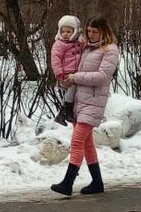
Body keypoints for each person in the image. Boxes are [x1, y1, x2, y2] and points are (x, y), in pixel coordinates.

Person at [50, 15, 120, 197]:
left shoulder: (110, 50)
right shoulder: (86, 48)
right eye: (88, 31)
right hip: (78, 101)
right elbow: (71, 67)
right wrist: (65, 80)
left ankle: (68, 182)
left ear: (104, 31)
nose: (91, 34)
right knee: (87, 143)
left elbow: (103, 76)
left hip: (94, 102)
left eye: (95, 31)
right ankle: (97, 182)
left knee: (77, 140)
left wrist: (76, 77)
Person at [50, 15, 82, 126]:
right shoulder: (59, 44)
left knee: (71, 91)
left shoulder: (78, 42)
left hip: (76, 73)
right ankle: (67, 111)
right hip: (65, 74)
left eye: (68, 31)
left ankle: (61, 114)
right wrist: (59, 73)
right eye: (63, 31)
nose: (65, 34)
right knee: (72, 88)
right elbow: (55, 59)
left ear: (75, 31)